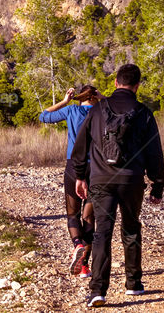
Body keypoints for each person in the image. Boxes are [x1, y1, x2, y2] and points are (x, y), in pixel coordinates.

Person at [71, 64, 164, 307]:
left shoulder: (97, 110)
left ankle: (98, 291)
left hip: (102, 181)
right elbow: (154, 153)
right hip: (132, 181)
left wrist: (80, 176)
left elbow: (81, 146)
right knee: (131, 229)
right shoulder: (144, 112)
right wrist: (157, 184)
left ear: (115, 82)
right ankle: (133, 284)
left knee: (102, 232)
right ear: (137, 85)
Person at [39, 85, 103, 278]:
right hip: (97, 168)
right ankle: (84, 267)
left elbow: (44, 116)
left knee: (72, 213)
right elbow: (123, 112)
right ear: (95, 97)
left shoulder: (72, 110)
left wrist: (65, 101)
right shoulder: (103, 111)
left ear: (79, 98)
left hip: (73, 166)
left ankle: (78, 245)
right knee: (89, 217)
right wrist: (104, 98)